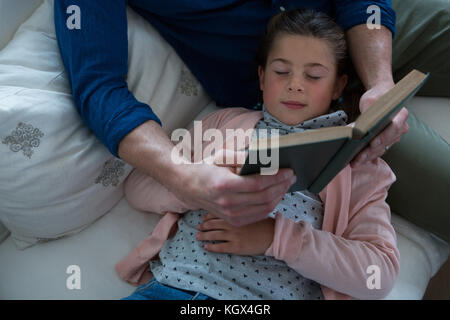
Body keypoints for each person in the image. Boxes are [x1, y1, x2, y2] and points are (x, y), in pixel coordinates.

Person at [118, 8, 400, 300]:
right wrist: (196, 183)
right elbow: (137, 186)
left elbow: (378, 275)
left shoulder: (358, 162)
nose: (295, 84)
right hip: (172, 287)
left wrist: (276, 237)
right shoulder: (222, 124)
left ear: (337, 86)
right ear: (262, 77)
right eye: (281, 72)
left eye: (314, 75)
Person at [54, 0, 406, 227]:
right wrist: (185, 177)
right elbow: (99, 88)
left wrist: (381, 83)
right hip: (326, 100)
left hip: (369, 34)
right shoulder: (228, 128)